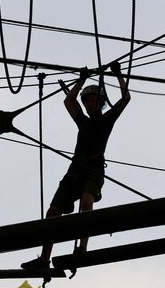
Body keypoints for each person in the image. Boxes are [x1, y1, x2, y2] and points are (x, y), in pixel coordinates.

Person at [21, 61, 131, 270]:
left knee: (87, 201)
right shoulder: (83, 121)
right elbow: (69, 100)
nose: (89, 105)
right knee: (52, 213)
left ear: (100, 103)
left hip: (93, 170)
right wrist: (81, 80)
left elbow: (125, 98)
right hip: (75, 171)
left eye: (92, 102)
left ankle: (82, 247)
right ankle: (44, 259)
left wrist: (118, 74)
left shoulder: (107, 120)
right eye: (87, 102)